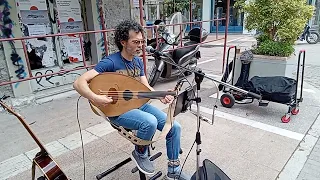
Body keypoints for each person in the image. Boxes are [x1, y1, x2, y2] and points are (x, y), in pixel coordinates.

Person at [73, 19, 190, 180]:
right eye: (136, 42)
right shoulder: (110, 62)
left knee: (174, 126)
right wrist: (95, 98)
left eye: (142, 41)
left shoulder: (137, 62)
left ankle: (173, 170)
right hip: (118, 111)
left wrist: (160, 94)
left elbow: (145, 87)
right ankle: (140, 153)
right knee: (149, 122)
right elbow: (79, 82)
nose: (140, 45)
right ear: (123, 42)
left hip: (138, 106)